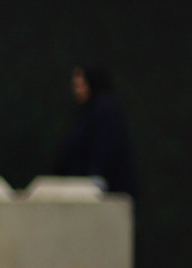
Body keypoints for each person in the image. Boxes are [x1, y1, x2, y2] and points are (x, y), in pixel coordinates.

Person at [55, 64, 137, 197]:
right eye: (75, 86)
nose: (77, 91)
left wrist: (96, 179)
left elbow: (105, 146)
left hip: (106, 193)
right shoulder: (86, 112)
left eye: (81, 85)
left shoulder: (105, 108)